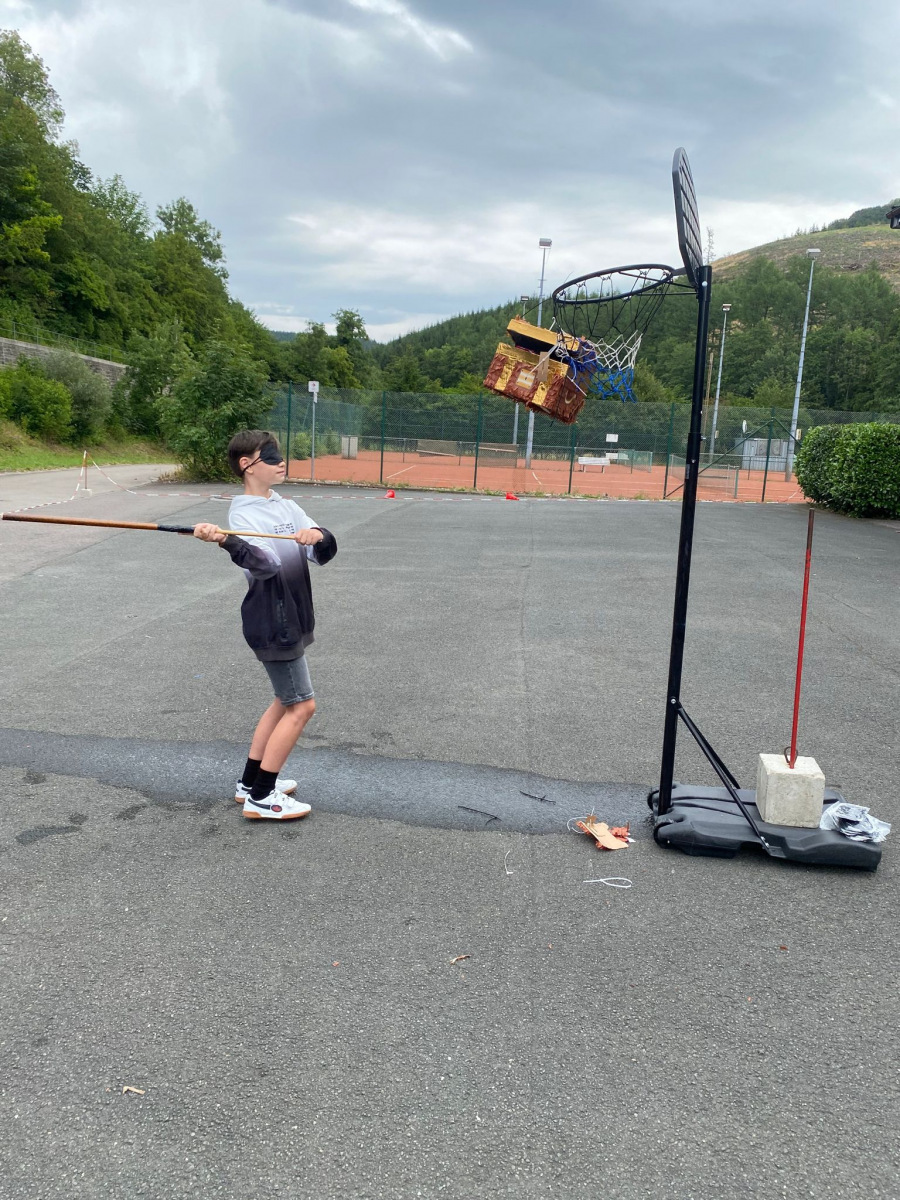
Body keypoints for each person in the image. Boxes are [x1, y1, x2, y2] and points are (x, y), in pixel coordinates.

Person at [193, 430, 337, 820]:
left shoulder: (286, 506)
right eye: (270, 456)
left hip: (294, 614)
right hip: (273, 620)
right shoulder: (243, 514)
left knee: (284, 701)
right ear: (248, 465)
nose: (281, 462)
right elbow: (267, 565)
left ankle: (249, 783)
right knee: (302, 706)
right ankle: (262, 796)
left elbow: (322, 552)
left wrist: (317, 534)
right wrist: (226, 541)